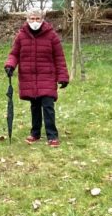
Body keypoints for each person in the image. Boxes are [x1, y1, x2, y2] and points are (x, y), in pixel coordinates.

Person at [4, 8, 70, 146]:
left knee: (48, 106)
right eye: (32, 18)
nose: (35, 21)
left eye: (37, 19)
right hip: (29, 78)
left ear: (42, 19)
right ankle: (35, 133)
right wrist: (10, 65)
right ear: (27, 19)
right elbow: (14, 54)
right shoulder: (21, 36)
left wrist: (63, 76)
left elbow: (59, 58)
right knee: (35, 107)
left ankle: (52, 135)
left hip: (47, 77)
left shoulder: (51, 36)